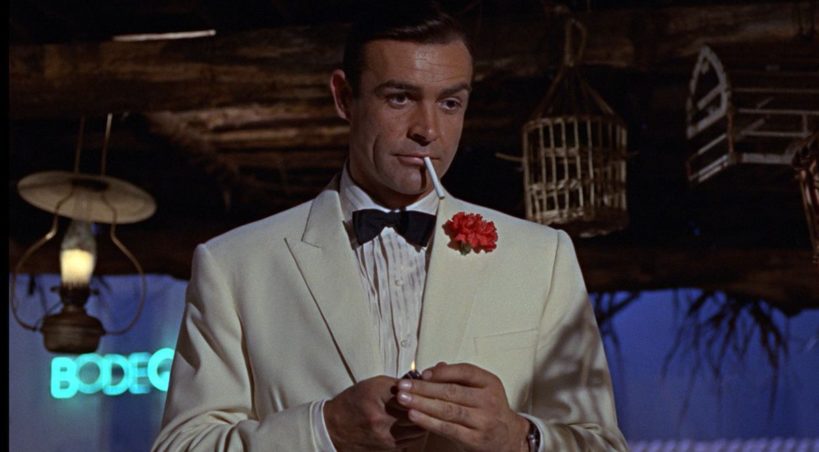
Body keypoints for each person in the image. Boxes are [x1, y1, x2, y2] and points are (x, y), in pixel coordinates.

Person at [153, 3, 627, 451]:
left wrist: (519, 438)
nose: (428, 130)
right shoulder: (235, 264)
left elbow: (602, 443)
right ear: (344, 97)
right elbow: (182, 445)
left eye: (450, 103)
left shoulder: (541, 257)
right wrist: (324, 429)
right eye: (400, 97)